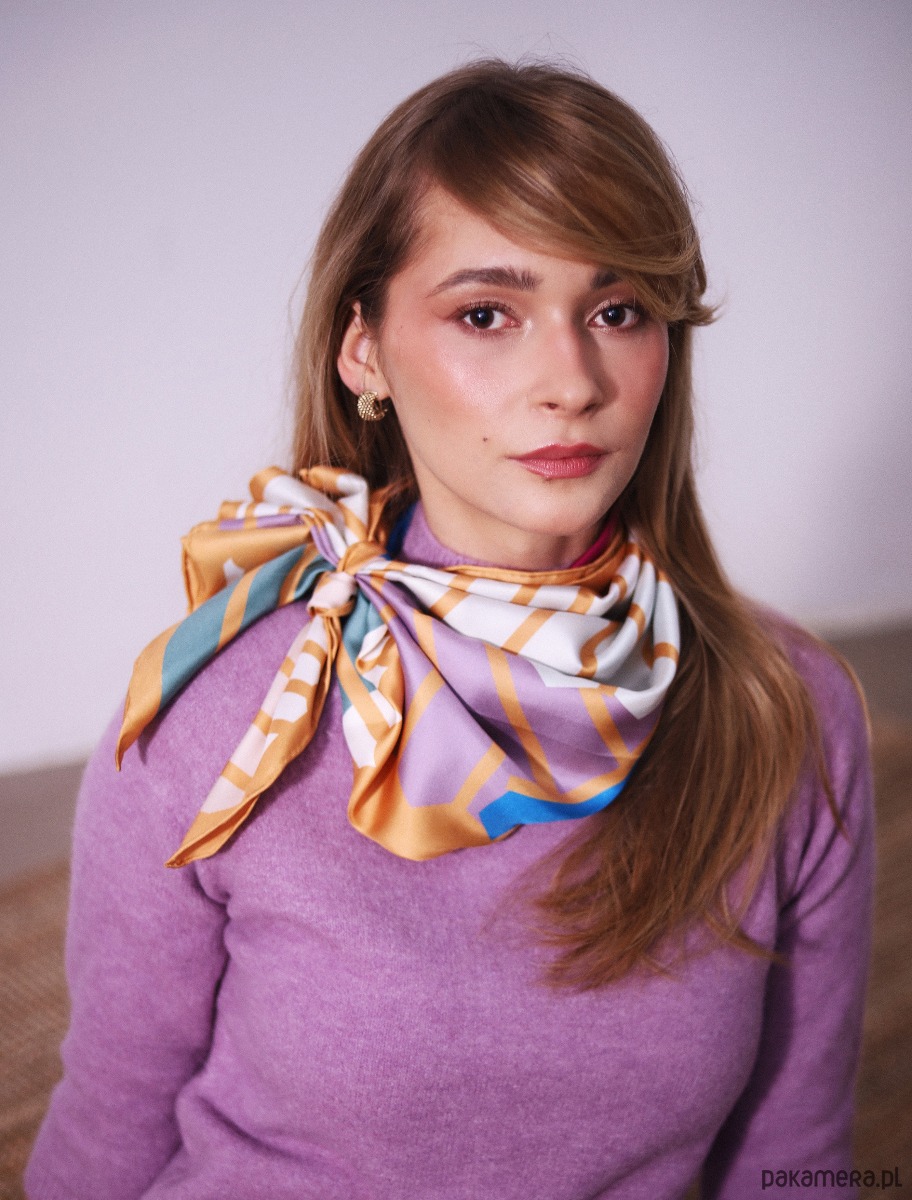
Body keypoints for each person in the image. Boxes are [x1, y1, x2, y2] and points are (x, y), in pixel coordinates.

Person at [26, 60, 873, 1200]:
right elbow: (109, 1130)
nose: (571, 380)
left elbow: (796, 1163)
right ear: (364, 348)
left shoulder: (786, 709)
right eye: (486, 314)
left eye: (616, 311)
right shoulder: (223, 719)